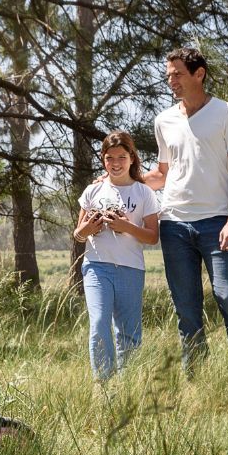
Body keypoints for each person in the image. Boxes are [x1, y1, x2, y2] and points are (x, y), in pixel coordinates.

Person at [143, 47, 228, 380]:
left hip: (217, 224)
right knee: (186, 309)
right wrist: (119, 178)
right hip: (174, 225)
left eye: (177, 74)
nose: (171, 81)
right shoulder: (163, 120)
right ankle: (197, 382)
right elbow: (162, 174)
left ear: (200, 73)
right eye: (168, 75)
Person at [75, 131, 161, 381]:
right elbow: (78, 234)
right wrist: (88, 230)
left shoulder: (144, 193)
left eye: (122, 157)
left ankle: (127, 385)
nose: (116, 163)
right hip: (96, 267)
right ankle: (103, 385)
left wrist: (127, 227)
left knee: (129, 333)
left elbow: (153, 236)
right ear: (103, 160)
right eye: (110, 157)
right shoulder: (93, 191)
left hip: (130, 269)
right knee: (99, 323)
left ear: (132, 158)